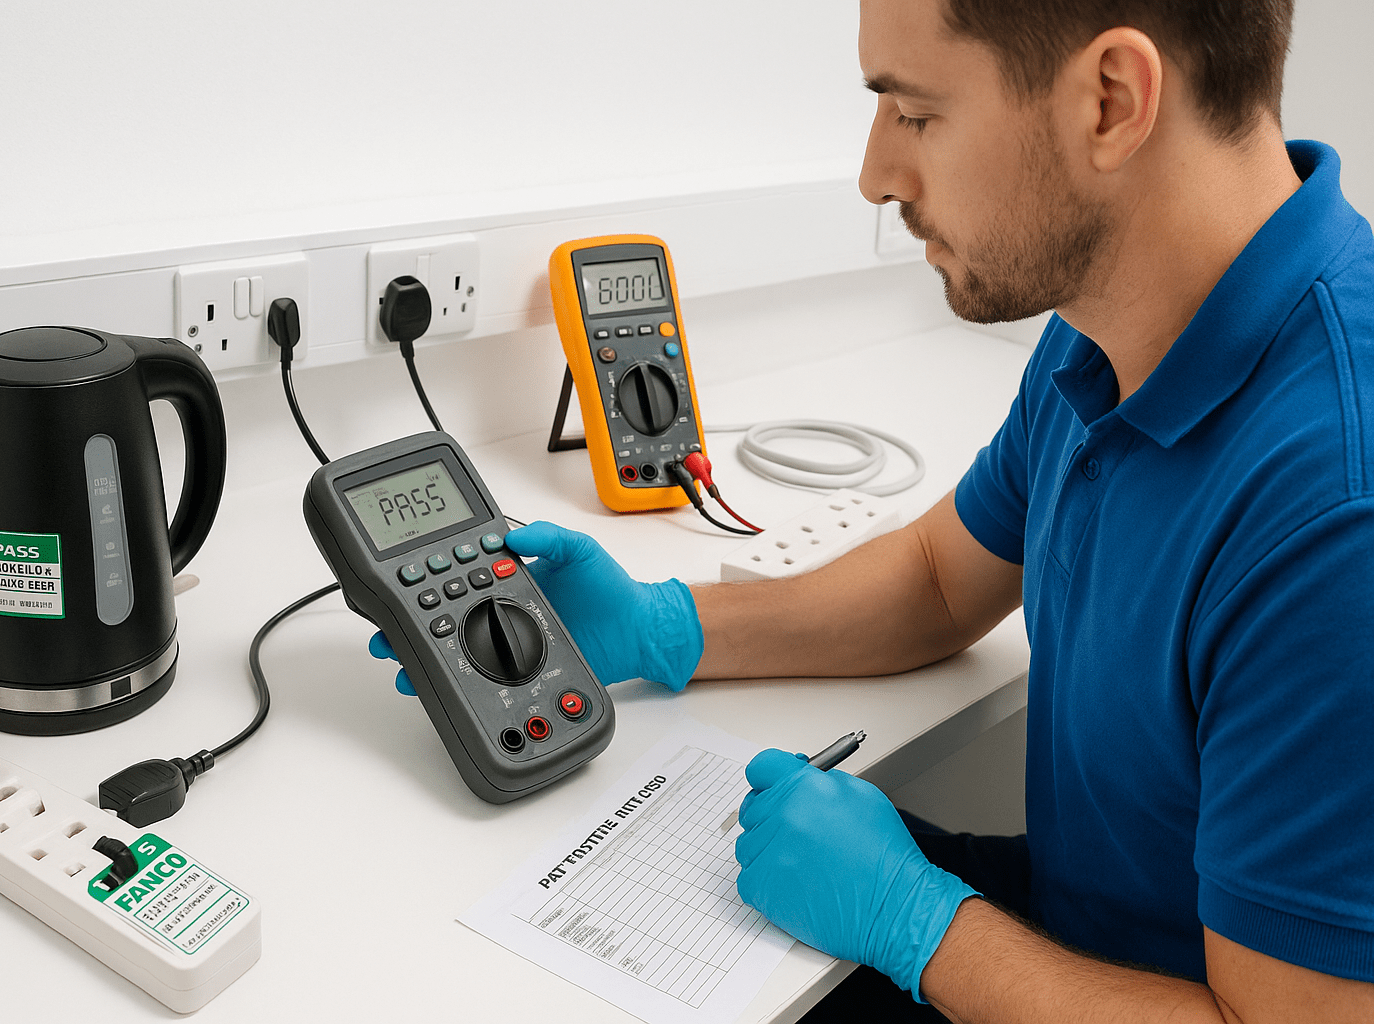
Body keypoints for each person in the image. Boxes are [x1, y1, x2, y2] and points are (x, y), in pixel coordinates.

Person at [374, 0, 1374, 1019]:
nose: (875, 174)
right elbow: (939, 580)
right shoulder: (1114, 324)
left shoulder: (1336, 510)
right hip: (1086, 931)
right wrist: (661, 622)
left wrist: (918, 922)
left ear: (1110, 101)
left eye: (916, 114)